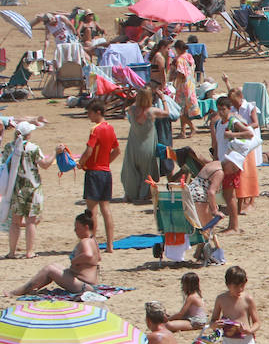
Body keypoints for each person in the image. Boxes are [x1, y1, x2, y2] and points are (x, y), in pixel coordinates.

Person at [7, 212, 101, 296]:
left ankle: (20, 291)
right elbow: (98, 258)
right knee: (54, 266)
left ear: (86, 227)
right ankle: (31, 288)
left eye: (77, 228)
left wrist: (75, 260)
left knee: (49, 269)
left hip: (82, 285)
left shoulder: (85, 241)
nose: (75, 231)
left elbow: (88, 255)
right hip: (88, 283)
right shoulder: (93, 240)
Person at [1, 120, 55, 259]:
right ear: (28, 134)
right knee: (31, 221)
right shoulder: (33, 148)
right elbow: (45, 164)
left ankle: (12, 252)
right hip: (32, 188)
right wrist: (55, 153)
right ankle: (29, 251)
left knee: (15, 222)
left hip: (15, 187)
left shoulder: (9, 147)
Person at [80, 100, 120, 253]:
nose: (88, 115)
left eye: (90, 112)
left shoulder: (95, 129)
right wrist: (105, 163)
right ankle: (110, 245)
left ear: (98, 112)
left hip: (94, 172)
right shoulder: (110, 128)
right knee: (106, 208)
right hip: (105, 172)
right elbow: (116, 151)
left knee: (92, 210)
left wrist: (81, 163)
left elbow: (89, 150)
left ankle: (93, 243)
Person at [120, 88, 168, 204]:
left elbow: (127, 108)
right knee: (147, 172)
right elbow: (167, 113)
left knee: (130, 171)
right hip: (147, 147)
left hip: (133, 146)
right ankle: (143, 195)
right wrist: (163, 99)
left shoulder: (132, 110)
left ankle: (130, 194)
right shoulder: (152, 112)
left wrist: (137, 100)